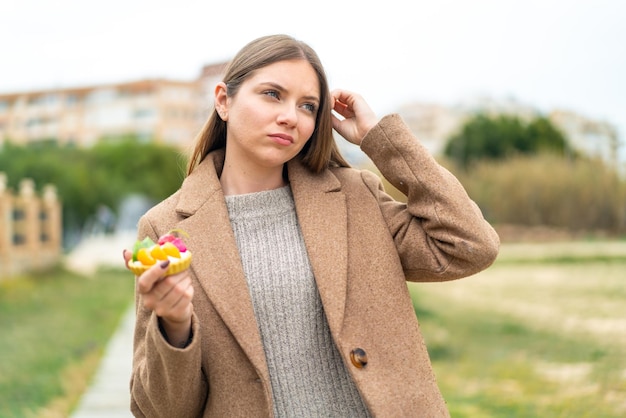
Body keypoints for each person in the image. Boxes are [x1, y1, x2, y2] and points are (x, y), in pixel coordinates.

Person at [122, 33, 500, 417]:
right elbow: (158, 410)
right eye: (272, 94)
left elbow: (470, 244)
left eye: (308, 106)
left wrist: (379, 140)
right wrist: (174, 325)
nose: (291, 116)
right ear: (224, 100)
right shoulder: (165, 227)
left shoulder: (356, 197)